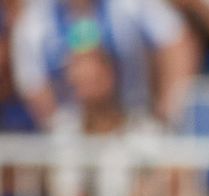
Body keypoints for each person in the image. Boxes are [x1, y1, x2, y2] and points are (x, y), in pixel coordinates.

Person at [10, 0, 199, 129]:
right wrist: (60, 125)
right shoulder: (37, 17)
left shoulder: (131, 5)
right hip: (73, 131)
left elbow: (177, 42)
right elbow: (31, 81)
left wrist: (168, 110)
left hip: (135, 122)